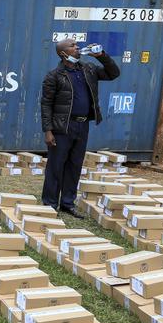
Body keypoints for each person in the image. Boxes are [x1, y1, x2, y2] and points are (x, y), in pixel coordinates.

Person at [39, 39, 120, 214]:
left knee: (75, 165)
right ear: (63, 53)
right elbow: (46, 104)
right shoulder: (54, 76)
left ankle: (68, 203)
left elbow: (113, 73)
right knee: (56, 166)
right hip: (62, 127)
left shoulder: (88, 69)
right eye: (72, 46)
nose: (77, 47)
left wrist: (102, 56)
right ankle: (50, 204)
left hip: (82, 125)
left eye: (76, 45)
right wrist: (48, 130)